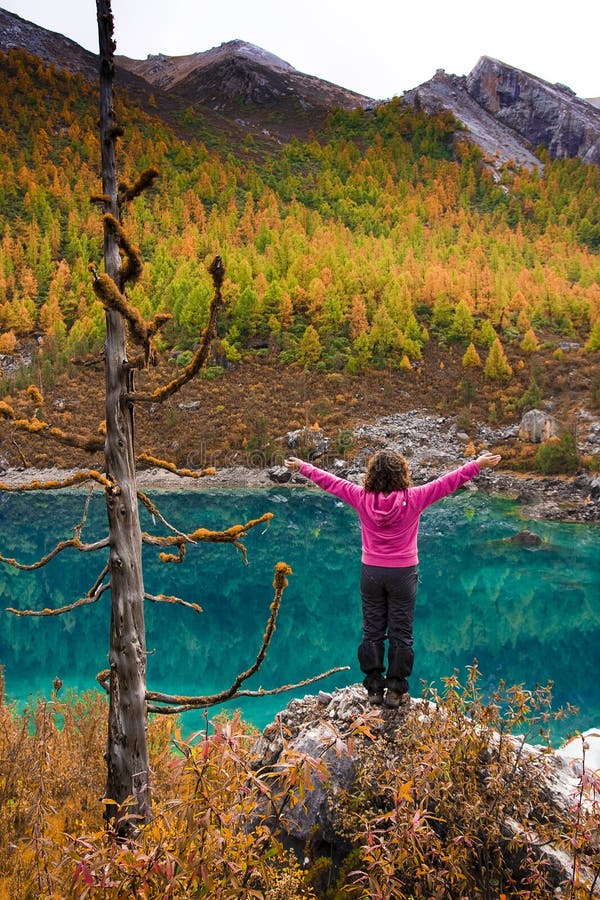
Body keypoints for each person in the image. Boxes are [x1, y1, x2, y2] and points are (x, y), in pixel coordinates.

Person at [284, 448, 501, 708]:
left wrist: (302, 467)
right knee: (401, 632)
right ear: (402, 474)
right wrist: (477, 464)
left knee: (372, 630)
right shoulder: (415, 497)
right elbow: (448, 482)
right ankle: (395, 690)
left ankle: (374, 688)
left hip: (372, 572)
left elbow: (330, 481)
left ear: (372, 475)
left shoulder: (361, 496)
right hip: (403, 574)